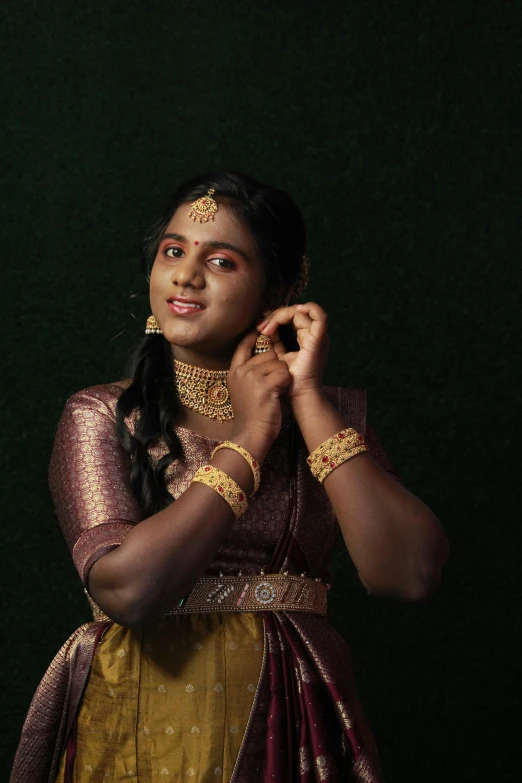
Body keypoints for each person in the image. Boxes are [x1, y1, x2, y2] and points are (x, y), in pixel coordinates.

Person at [11, 171, 449, 783]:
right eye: (173, 251)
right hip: (141, 724)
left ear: (281, 286)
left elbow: (408, 575)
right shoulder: (103, 415)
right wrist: (250, 437)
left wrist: (308, 401)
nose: (186, 275)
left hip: (295, 722)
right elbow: (129, 593)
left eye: (221, 261)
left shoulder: (328, 417)